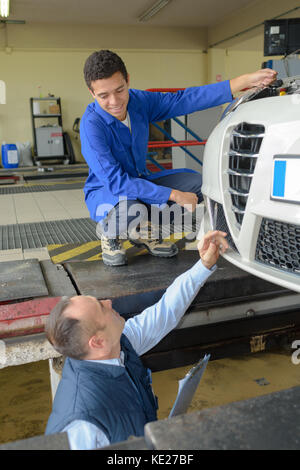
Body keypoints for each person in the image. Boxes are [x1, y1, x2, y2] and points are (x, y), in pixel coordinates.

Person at [80, 49, 277, 266]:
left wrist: (243, 81)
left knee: (197, 184)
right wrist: (173, 194)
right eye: (103, 96)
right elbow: (116, 182)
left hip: (140, 181)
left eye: (120, 90)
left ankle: (144, 230)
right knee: (130, 205)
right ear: (91, 93)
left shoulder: (138, 101)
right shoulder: (92, 125)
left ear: (128, 80)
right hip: (108, 193)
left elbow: (183, 100)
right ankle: (110, 234)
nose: (115, 101)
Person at [45, 230, 229, 450]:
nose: (109, 302)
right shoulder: (81, 425)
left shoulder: (118, 345)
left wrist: (203, 265)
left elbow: (165, 312)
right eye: (100, 307)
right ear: (97, 342)